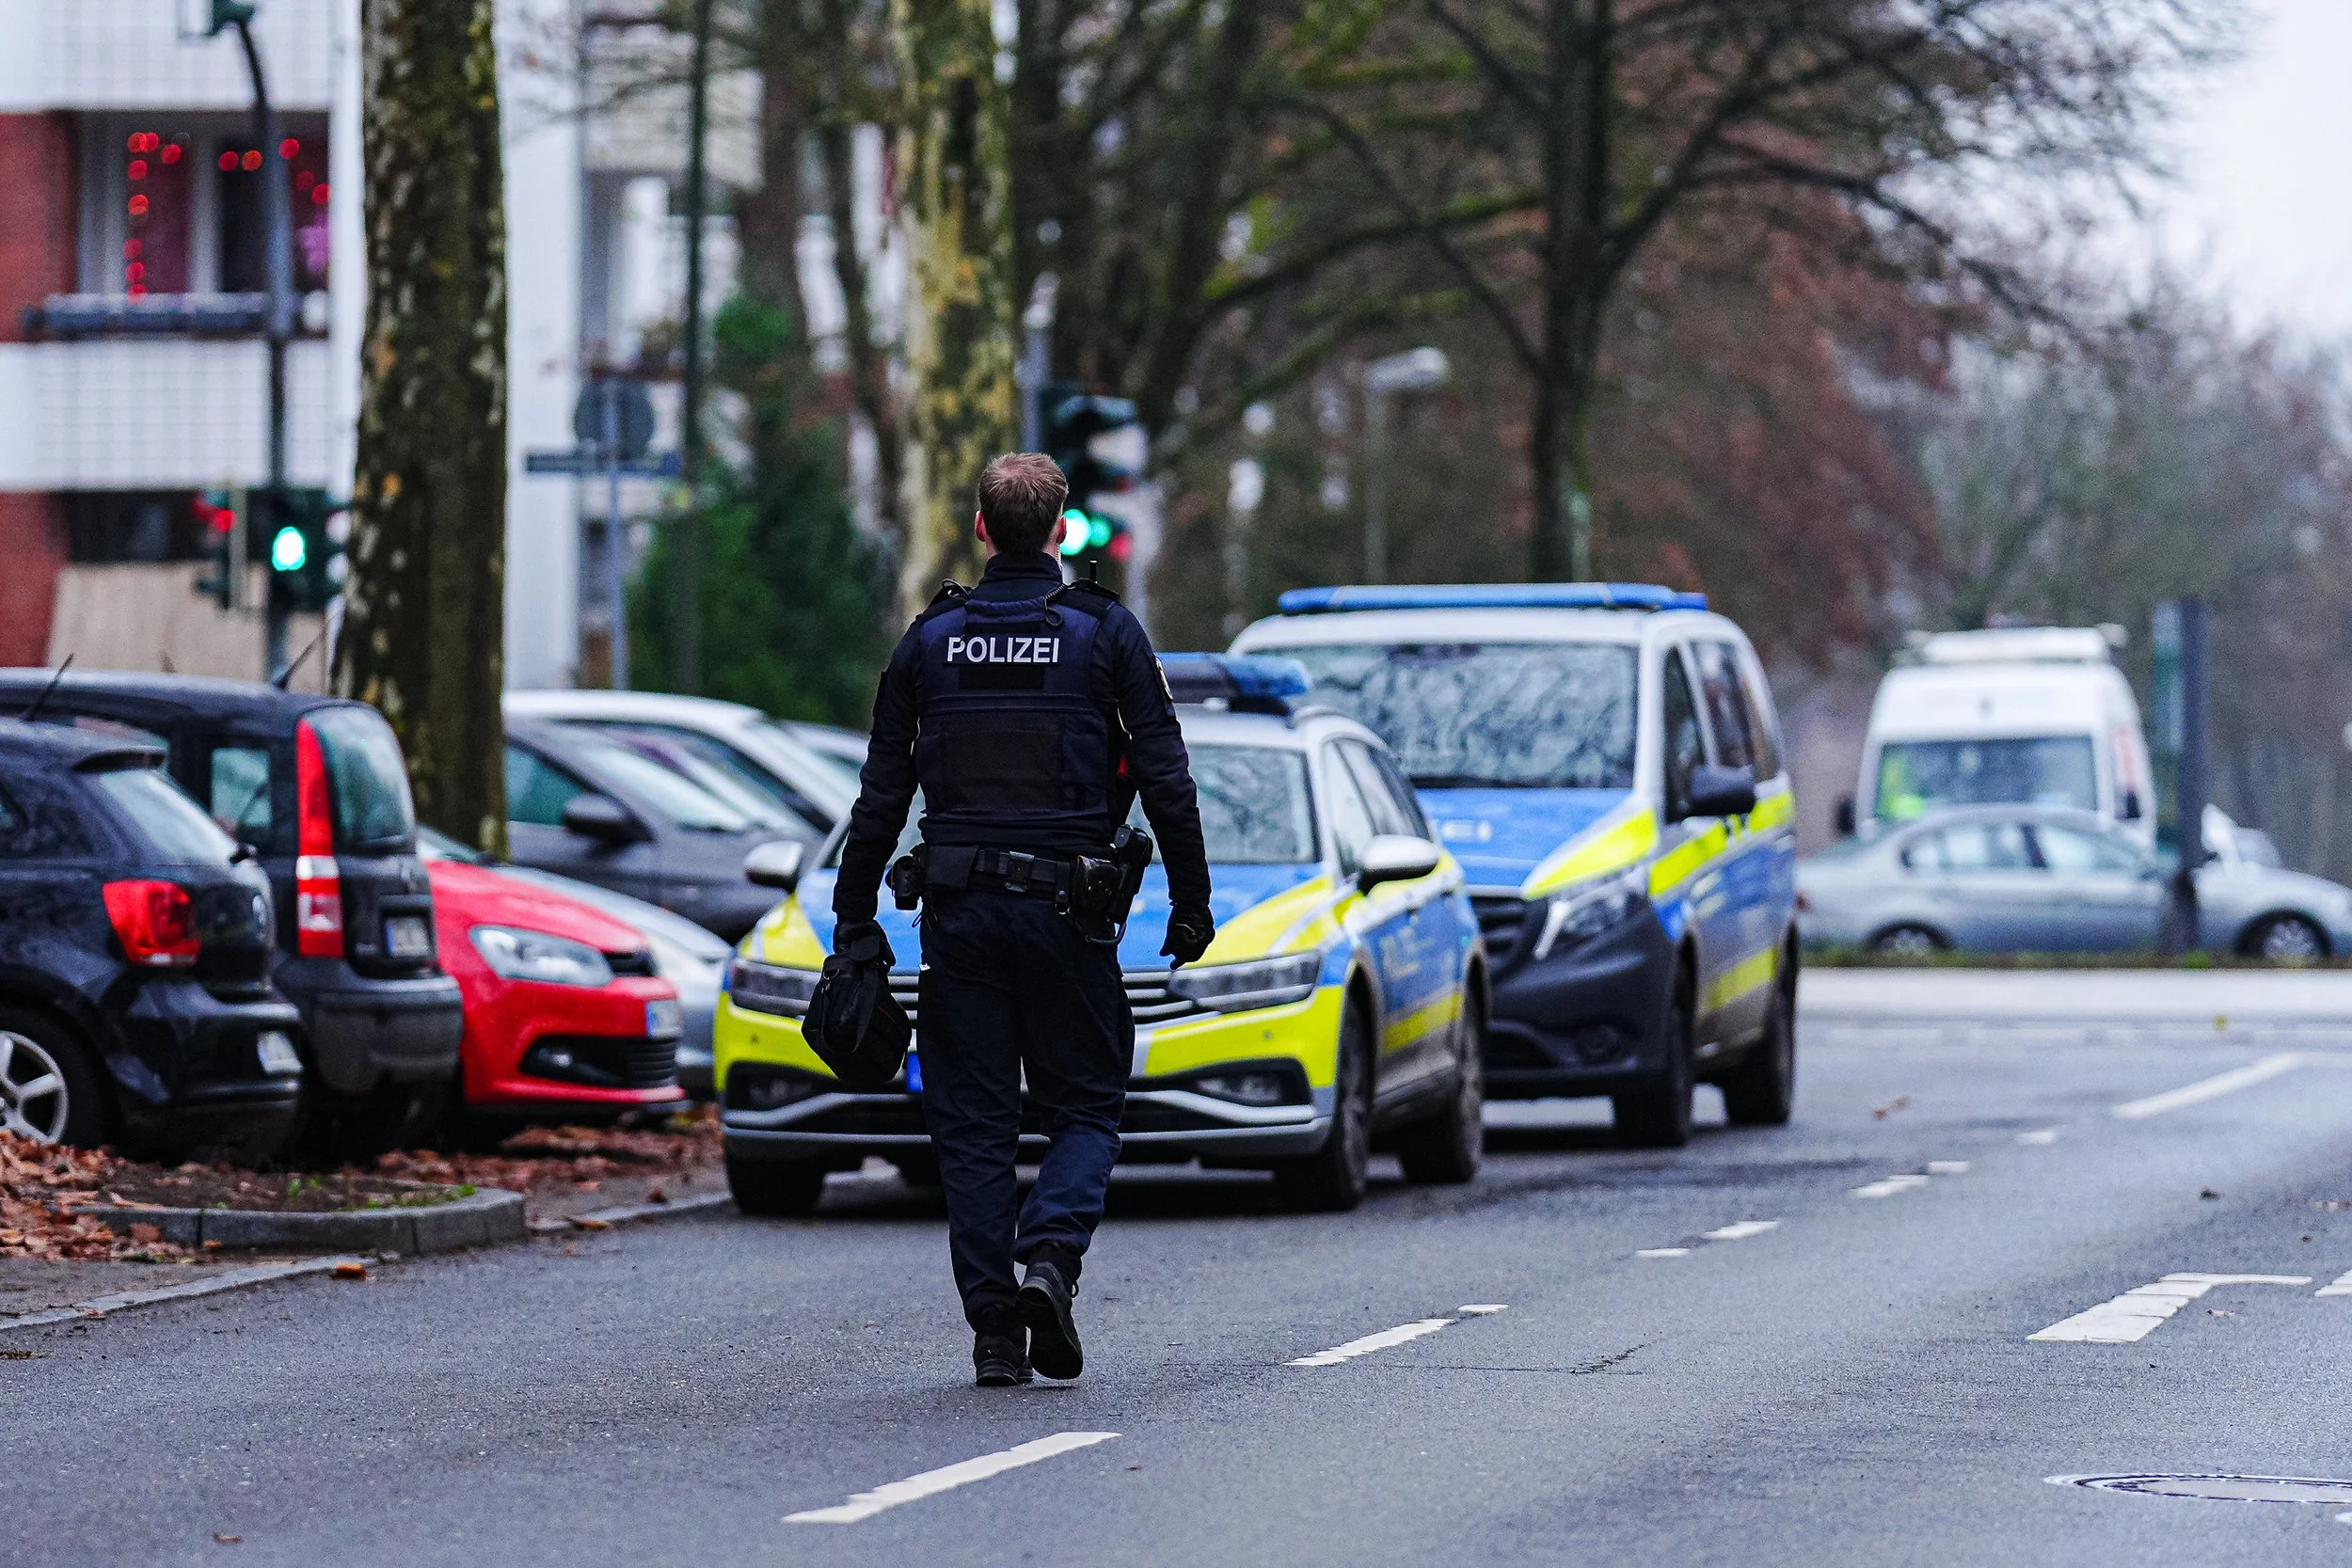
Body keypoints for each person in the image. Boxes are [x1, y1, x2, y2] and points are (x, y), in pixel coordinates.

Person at [832, 451, 1215, 1386]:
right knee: (1086, 1101)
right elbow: (1166, 772)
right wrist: (1192, 899)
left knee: (972, 1125)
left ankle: (995, 1332)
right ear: (1060, 530)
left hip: (958, 916)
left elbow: (878, 797)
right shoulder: (1106, 633)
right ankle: (1050, 1259)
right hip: (1069, 916)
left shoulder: (931, 641)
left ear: (978, 527)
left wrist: (854, 922)